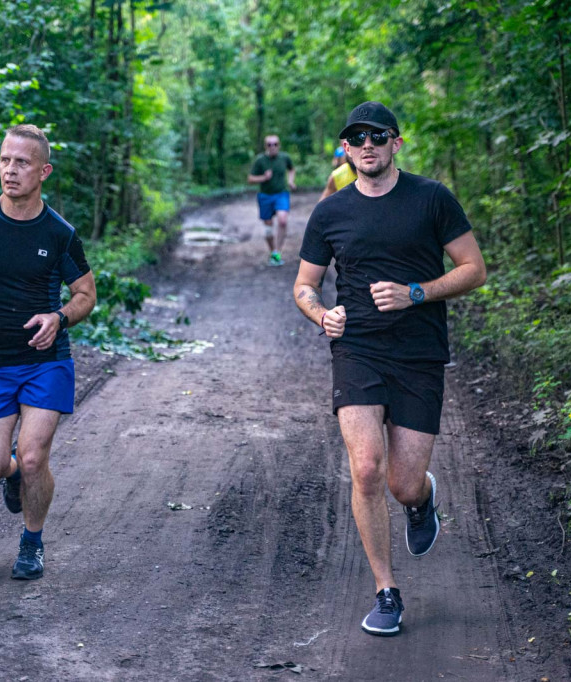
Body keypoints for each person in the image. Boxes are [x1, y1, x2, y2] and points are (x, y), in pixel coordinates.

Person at [293, 101, 486, 636]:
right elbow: (304, 285)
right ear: (347, 150)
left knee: (401, 483)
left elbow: (474, 269)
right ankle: (386, 591)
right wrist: (322, 314)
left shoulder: (431, 199)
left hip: (420, 353)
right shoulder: (330, 212)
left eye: (378, 136)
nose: (368, 145)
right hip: (356, 349)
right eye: (357, 138)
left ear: (396, 143)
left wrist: (416, 293)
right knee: (367, 469)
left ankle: (421, 499)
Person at [0, 124, 97, 581]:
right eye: (5, 160)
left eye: (22, 162)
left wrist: (59, 318)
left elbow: (85, 293)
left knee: (33, 456)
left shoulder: (60, 233)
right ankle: (13, 477)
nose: (10, 170)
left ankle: (32, 542)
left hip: (46, 361)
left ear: (43, 171)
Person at [247, 134, 296, 266]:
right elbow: (250, 179)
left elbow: (291, 169)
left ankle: (278, 252)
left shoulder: (284, 158)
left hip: (281, 194)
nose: (272, 147)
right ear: (265, 146)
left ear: (279, 145)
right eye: (269, 144)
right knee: (268, 229)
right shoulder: (260, 160)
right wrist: (263, 177)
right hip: (265, 196)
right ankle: (273, 251)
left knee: (282, 220)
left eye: (275, 144)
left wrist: (291, 181)